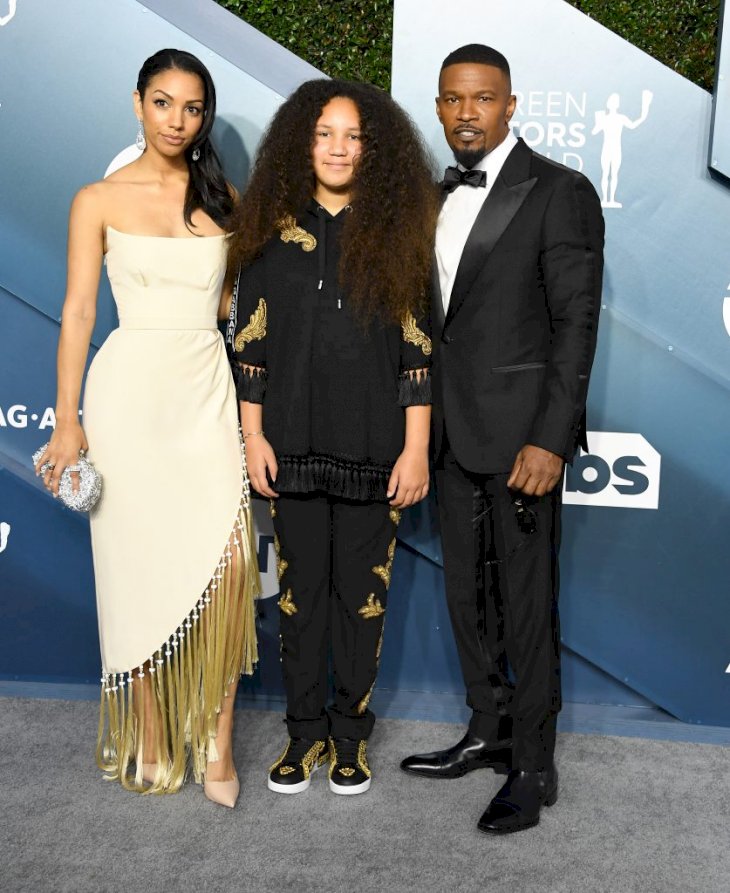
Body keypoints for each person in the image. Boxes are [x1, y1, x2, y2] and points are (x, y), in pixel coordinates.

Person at [35, 49, 259, 808]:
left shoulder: (226, 198)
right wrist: (69, 423)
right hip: (128, 396)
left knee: (229, 572)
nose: (177, 120)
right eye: (163, 103)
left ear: (204, 116)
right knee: (134, 574)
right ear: (137, 104)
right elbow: (77, 314)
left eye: (192, 108)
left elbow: (235, 311)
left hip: (205, 394)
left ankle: (219, 742)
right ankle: (154, 736)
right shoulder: (96, 198)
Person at [400, 44, 604, 834]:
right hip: (448, 432)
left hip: (523, 439)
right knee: (465, 594)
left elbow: (574, 326)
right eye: (452, 99)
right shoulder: (431, 194)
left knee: (525, 603)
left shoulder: (560, 192)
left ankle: (533, 763)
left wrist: (552, 439)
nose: (465, 113)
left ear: (511, 104)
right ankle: (487, 729)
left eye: (482, 99)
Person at [228, 78, 438, 796]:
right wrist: (252, 435)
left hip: (378, 453)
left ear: (374, 148)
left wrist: (415, 449)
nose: (339, 147)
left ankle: (351, 738)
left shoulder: (400, 234)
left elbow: (418, 354)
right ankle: (302, 736)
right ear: (300, 142)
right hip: (289, 448)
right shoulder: (268, 231)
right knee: (299, 599)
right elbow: (249, 350)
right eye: (324, 133)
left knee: (362, 602)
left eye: (352, 135)